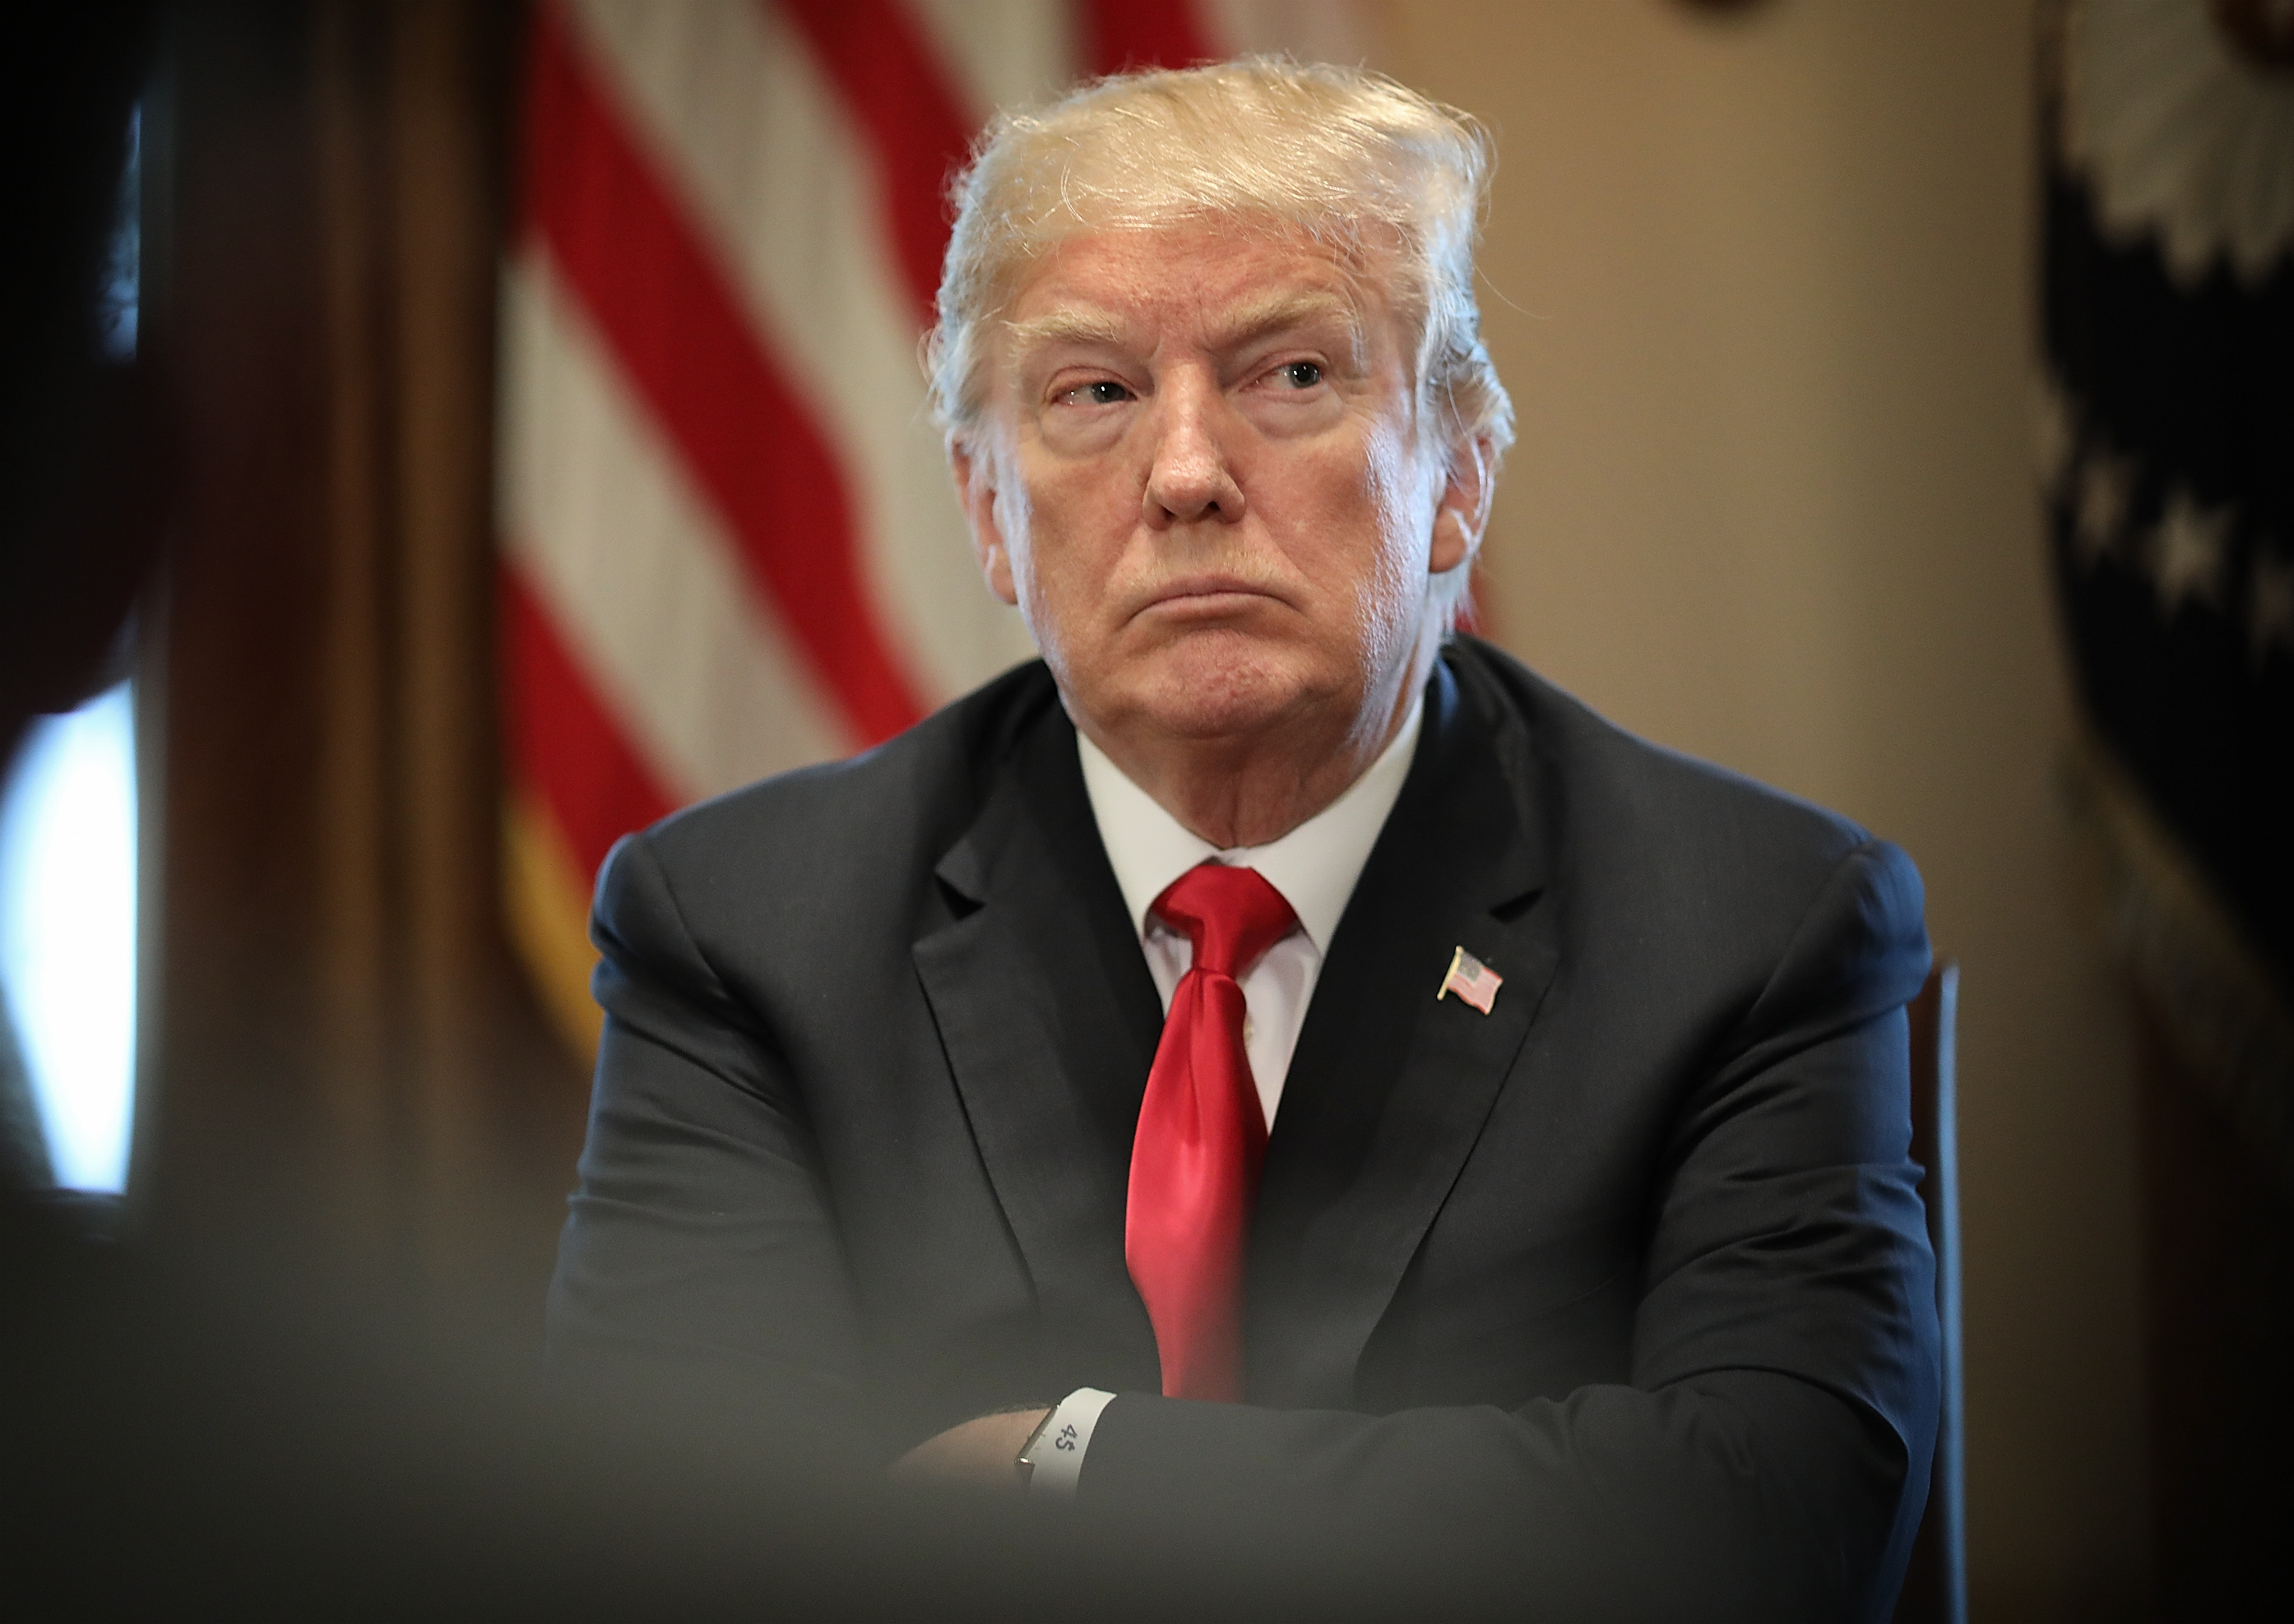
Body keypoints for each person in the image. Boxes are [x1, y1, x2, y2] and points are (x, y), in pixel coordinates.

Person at [548, 58, 1939, 1620]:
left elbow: (1766, 1532)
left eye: (1290, 375)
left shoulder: (1749, 925)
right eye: (1095, 393)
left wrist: (1067, 1470)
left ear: (1460, 472)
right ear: (990, 511)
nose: (1190, 475)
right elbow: (654, 1546)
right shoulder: (746, 930)